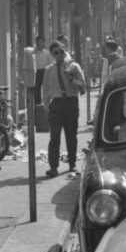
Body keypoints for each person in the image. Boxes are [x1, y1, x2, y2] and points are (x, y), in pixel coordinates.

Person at [41, 41, 86, 177]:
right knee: (54, 137)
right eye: (56, 53)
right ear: (52, 55)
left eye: (61, 51)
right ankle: (53, 167)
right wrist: (46, 106)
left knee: (71, 136)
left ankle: (72, 164)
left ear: (64, 50)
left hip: (71, 103)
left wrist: (72, 80)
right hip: (56, 104)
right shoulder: (49, 70)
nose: (60, 54)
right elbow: (46, 90)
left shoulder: (74, 66)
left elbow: (83, 87)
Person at [32, 36, 53, 105]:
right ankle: (38, 104)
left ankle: (47, 102)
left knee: (46, 88)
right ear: (36, 43)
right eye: (38, 42)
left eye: (41, 42)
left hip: (45, 71)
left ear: (43, 43)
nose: (39, 43)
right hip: (36, 72)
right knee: (37, 89)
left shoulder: (47, 53)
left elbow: (50, 63)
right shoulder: (33, 53)